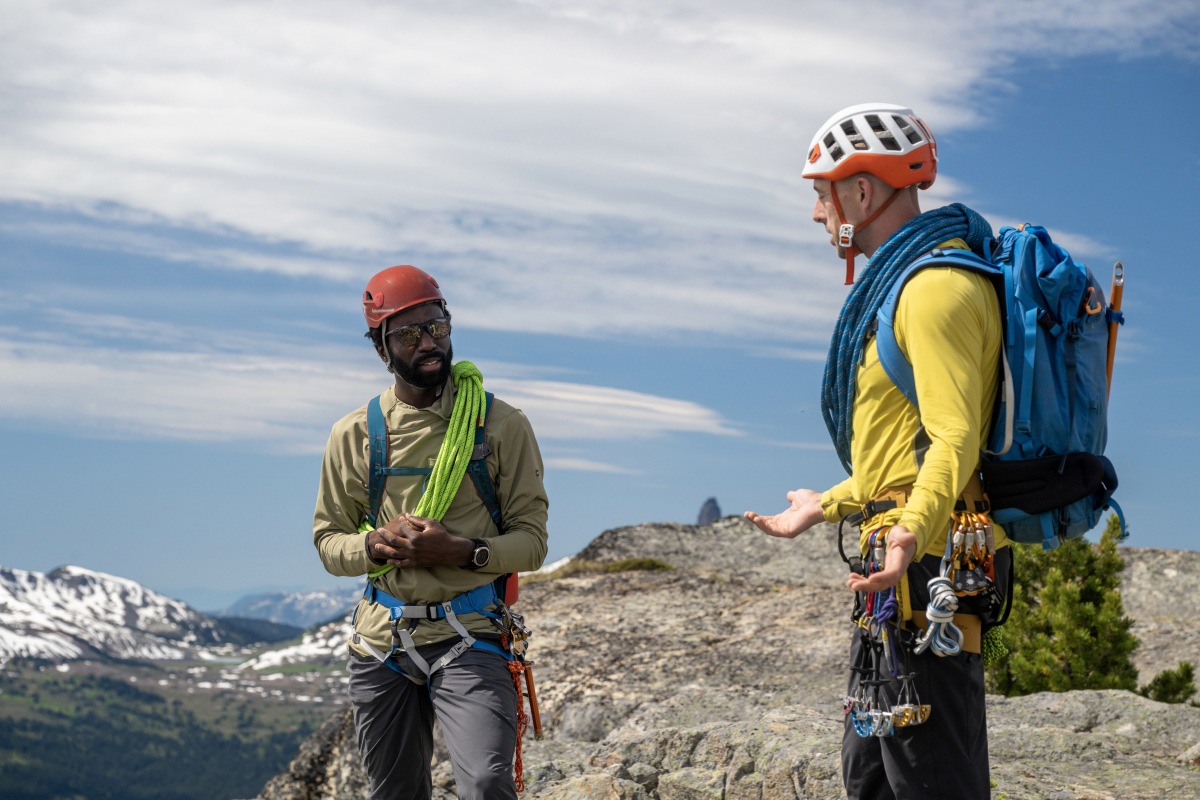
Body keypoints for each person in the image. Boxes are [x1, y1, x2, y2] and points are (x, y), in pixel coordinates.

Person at [745, 104, 1011, 800]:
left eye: (821, 192)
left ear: (861, 191)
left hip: (930, 568)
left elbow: (954, 437)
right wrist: (825, 505)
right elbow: (898, 457)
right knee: (871, 778)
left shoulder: (935, 289)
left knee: (929, 779)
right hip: (898, 568)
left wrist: (908, 534)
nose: (816, 213)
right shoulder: (902, 289)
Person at [313, 264, 549, 800]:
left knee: (487, 782)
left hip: (472, 632)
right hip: (382, 639)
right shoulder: (354, 434)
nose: (428, 343)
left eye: (437, 326)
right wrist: (375, 545)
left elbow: (532, 543)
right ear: (381, 348)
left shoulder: (501, 425)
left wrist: (458, 550)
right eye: (408, 334)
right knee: (394, 793)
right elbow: (329, 542)